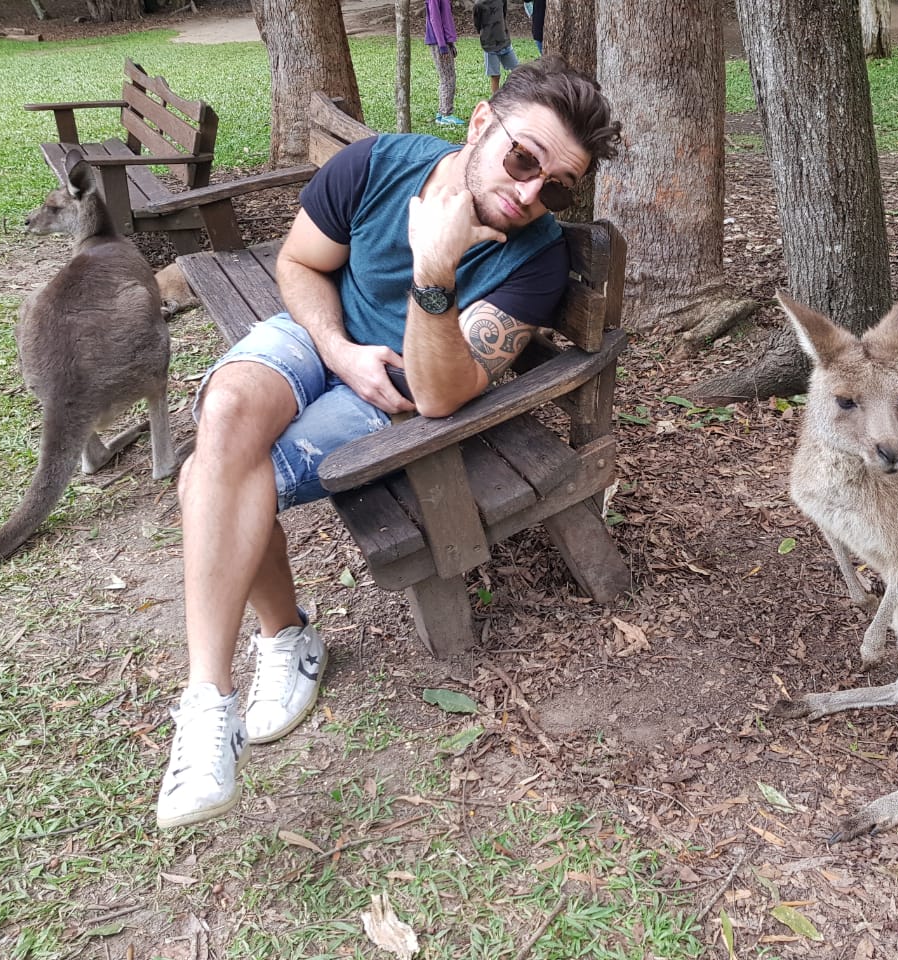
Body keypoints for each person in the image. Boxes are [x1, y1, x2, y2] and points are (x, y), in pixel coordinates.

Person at [155, 56, 622, 830]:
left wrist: (435, 270)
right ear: (480, 124)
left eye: (559, 186)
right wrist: (336, 348)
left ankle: (287, 643)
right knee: (229, 411)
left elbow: (439, 395)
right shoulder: (374, 165)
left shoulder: (534, 257)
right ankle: (209, 702)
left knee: (220, 477)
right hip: (324, 344)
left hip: (395, 401)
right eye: (522, 159)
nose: (531, 192)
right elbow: (300, 263)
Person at [425, 0, 465, 126]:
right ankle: (445, 114)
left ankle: (442, 113)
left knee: (447, 78)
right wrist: (442, 45)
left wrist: (450, 43)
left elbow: (445, 18)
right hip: (438, 42)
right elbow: (435, 19)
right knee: (448, 79)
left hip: (445, 42)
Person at [473, 0, 518, 95]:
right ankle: (496, 102)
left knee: (517, 71)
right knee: (495, 76)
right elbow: (477, 23)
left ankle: (515, 96)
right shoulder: (478, 4)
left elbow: (504, 14)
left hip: (504, 41)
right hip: (489, 45)